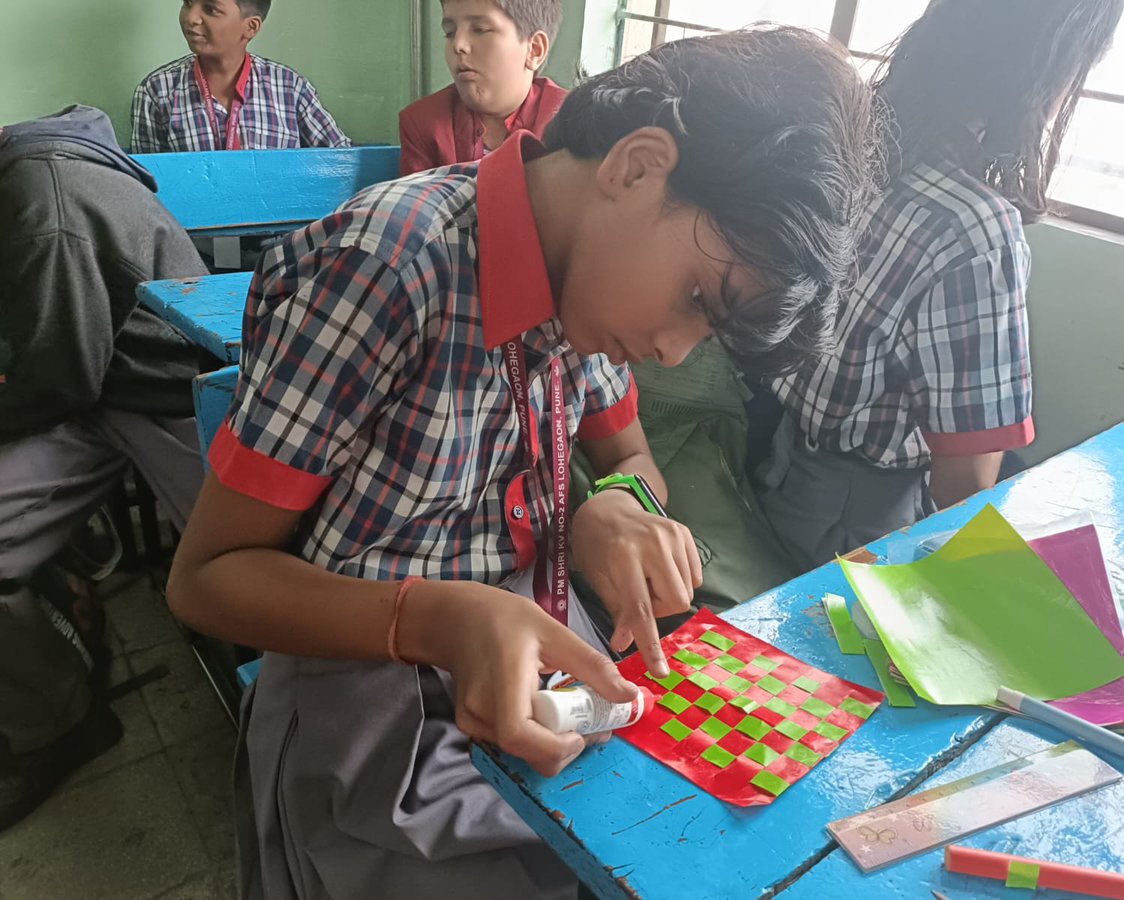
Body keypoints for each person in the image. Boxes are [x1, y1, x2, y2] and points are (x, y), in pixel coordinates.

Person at [166, 26, 876, 898]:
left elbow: (634, 460)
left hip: (543, 684)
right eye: (697, 300)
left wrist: (615, 504)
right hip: (376, 724)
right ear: (638, 165)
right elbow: (206, 578)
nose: (672, 350)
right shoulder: (391, 265)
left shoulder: (591, 281)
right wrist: (435, 622)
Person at [753, 0, 1124, 571]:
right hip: (860, 525)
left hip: (776, 467)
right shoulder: (974, 227)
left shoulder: (846, 145)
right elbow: (966, 486)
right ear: (1042, 73)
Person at [0, 106, 211, 830]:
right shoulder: (23, 172)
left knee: (243, 568)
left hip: (165, 394)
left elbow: (62, 376)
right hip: (100, 392)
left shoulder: (38, 200)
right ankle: (55, 719)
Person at [131, 0, 350, 153]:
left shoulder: (290, 88)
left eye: (211, 8)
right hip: (187, 220)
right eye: (188, 2)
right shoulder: (157, 91)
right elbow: (145, 187)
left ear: (251, 27)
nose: (192, 18)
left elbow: (342, 163)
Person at [397, 0, 567, 175]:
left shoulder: (572, 122)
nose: (458, 45)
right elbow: (416, 200)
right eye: (450, 33)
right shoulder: (423, 123)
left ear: (534, 50)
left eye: (480, 29)